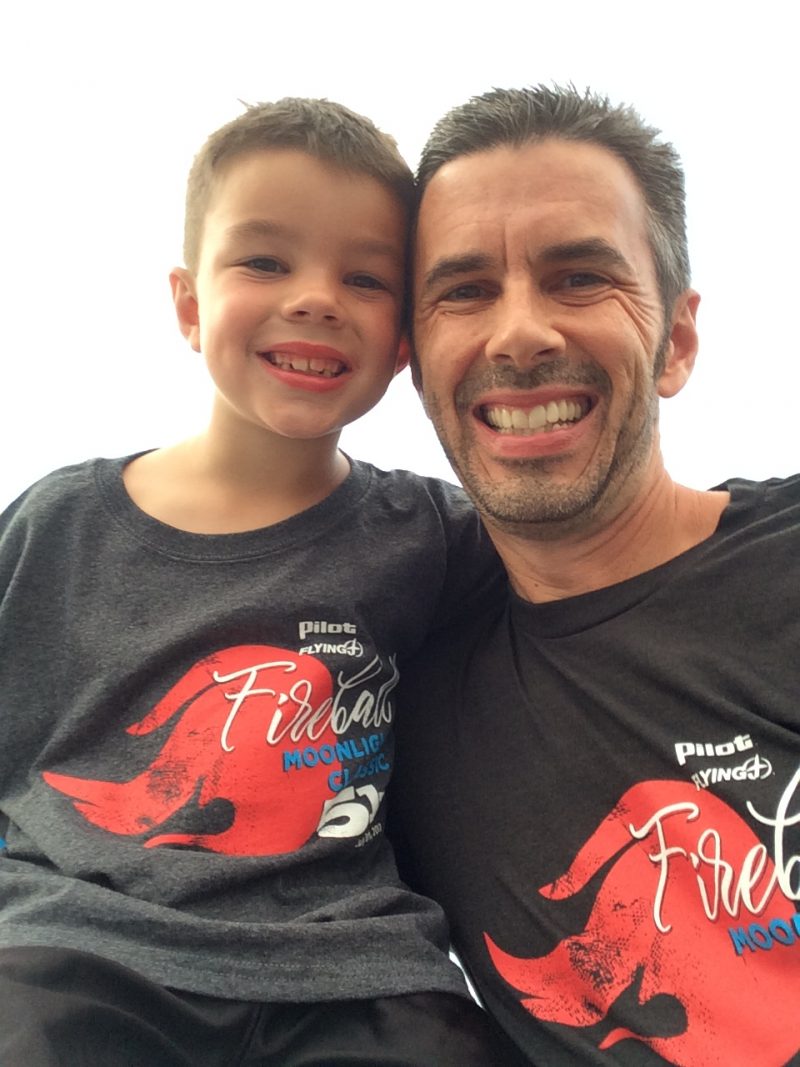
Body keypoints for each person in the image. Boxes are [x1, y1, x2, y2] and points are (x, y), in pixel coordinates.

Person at [0, 97, 520, 1066]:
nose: (316, 297)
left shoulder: (437, 538)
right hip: (76, 954)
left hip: (355, 975)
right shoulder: (57, 524)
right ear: (189, 303)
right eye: (265, 261)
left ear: (403, 338)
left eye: (364, 277)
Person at [392, 84, 800, 1066]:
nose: (518, 334)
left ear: (677, 341)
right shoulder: (387, 688)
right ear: (413, 361)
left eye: (578, 277)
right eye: (464, 290)